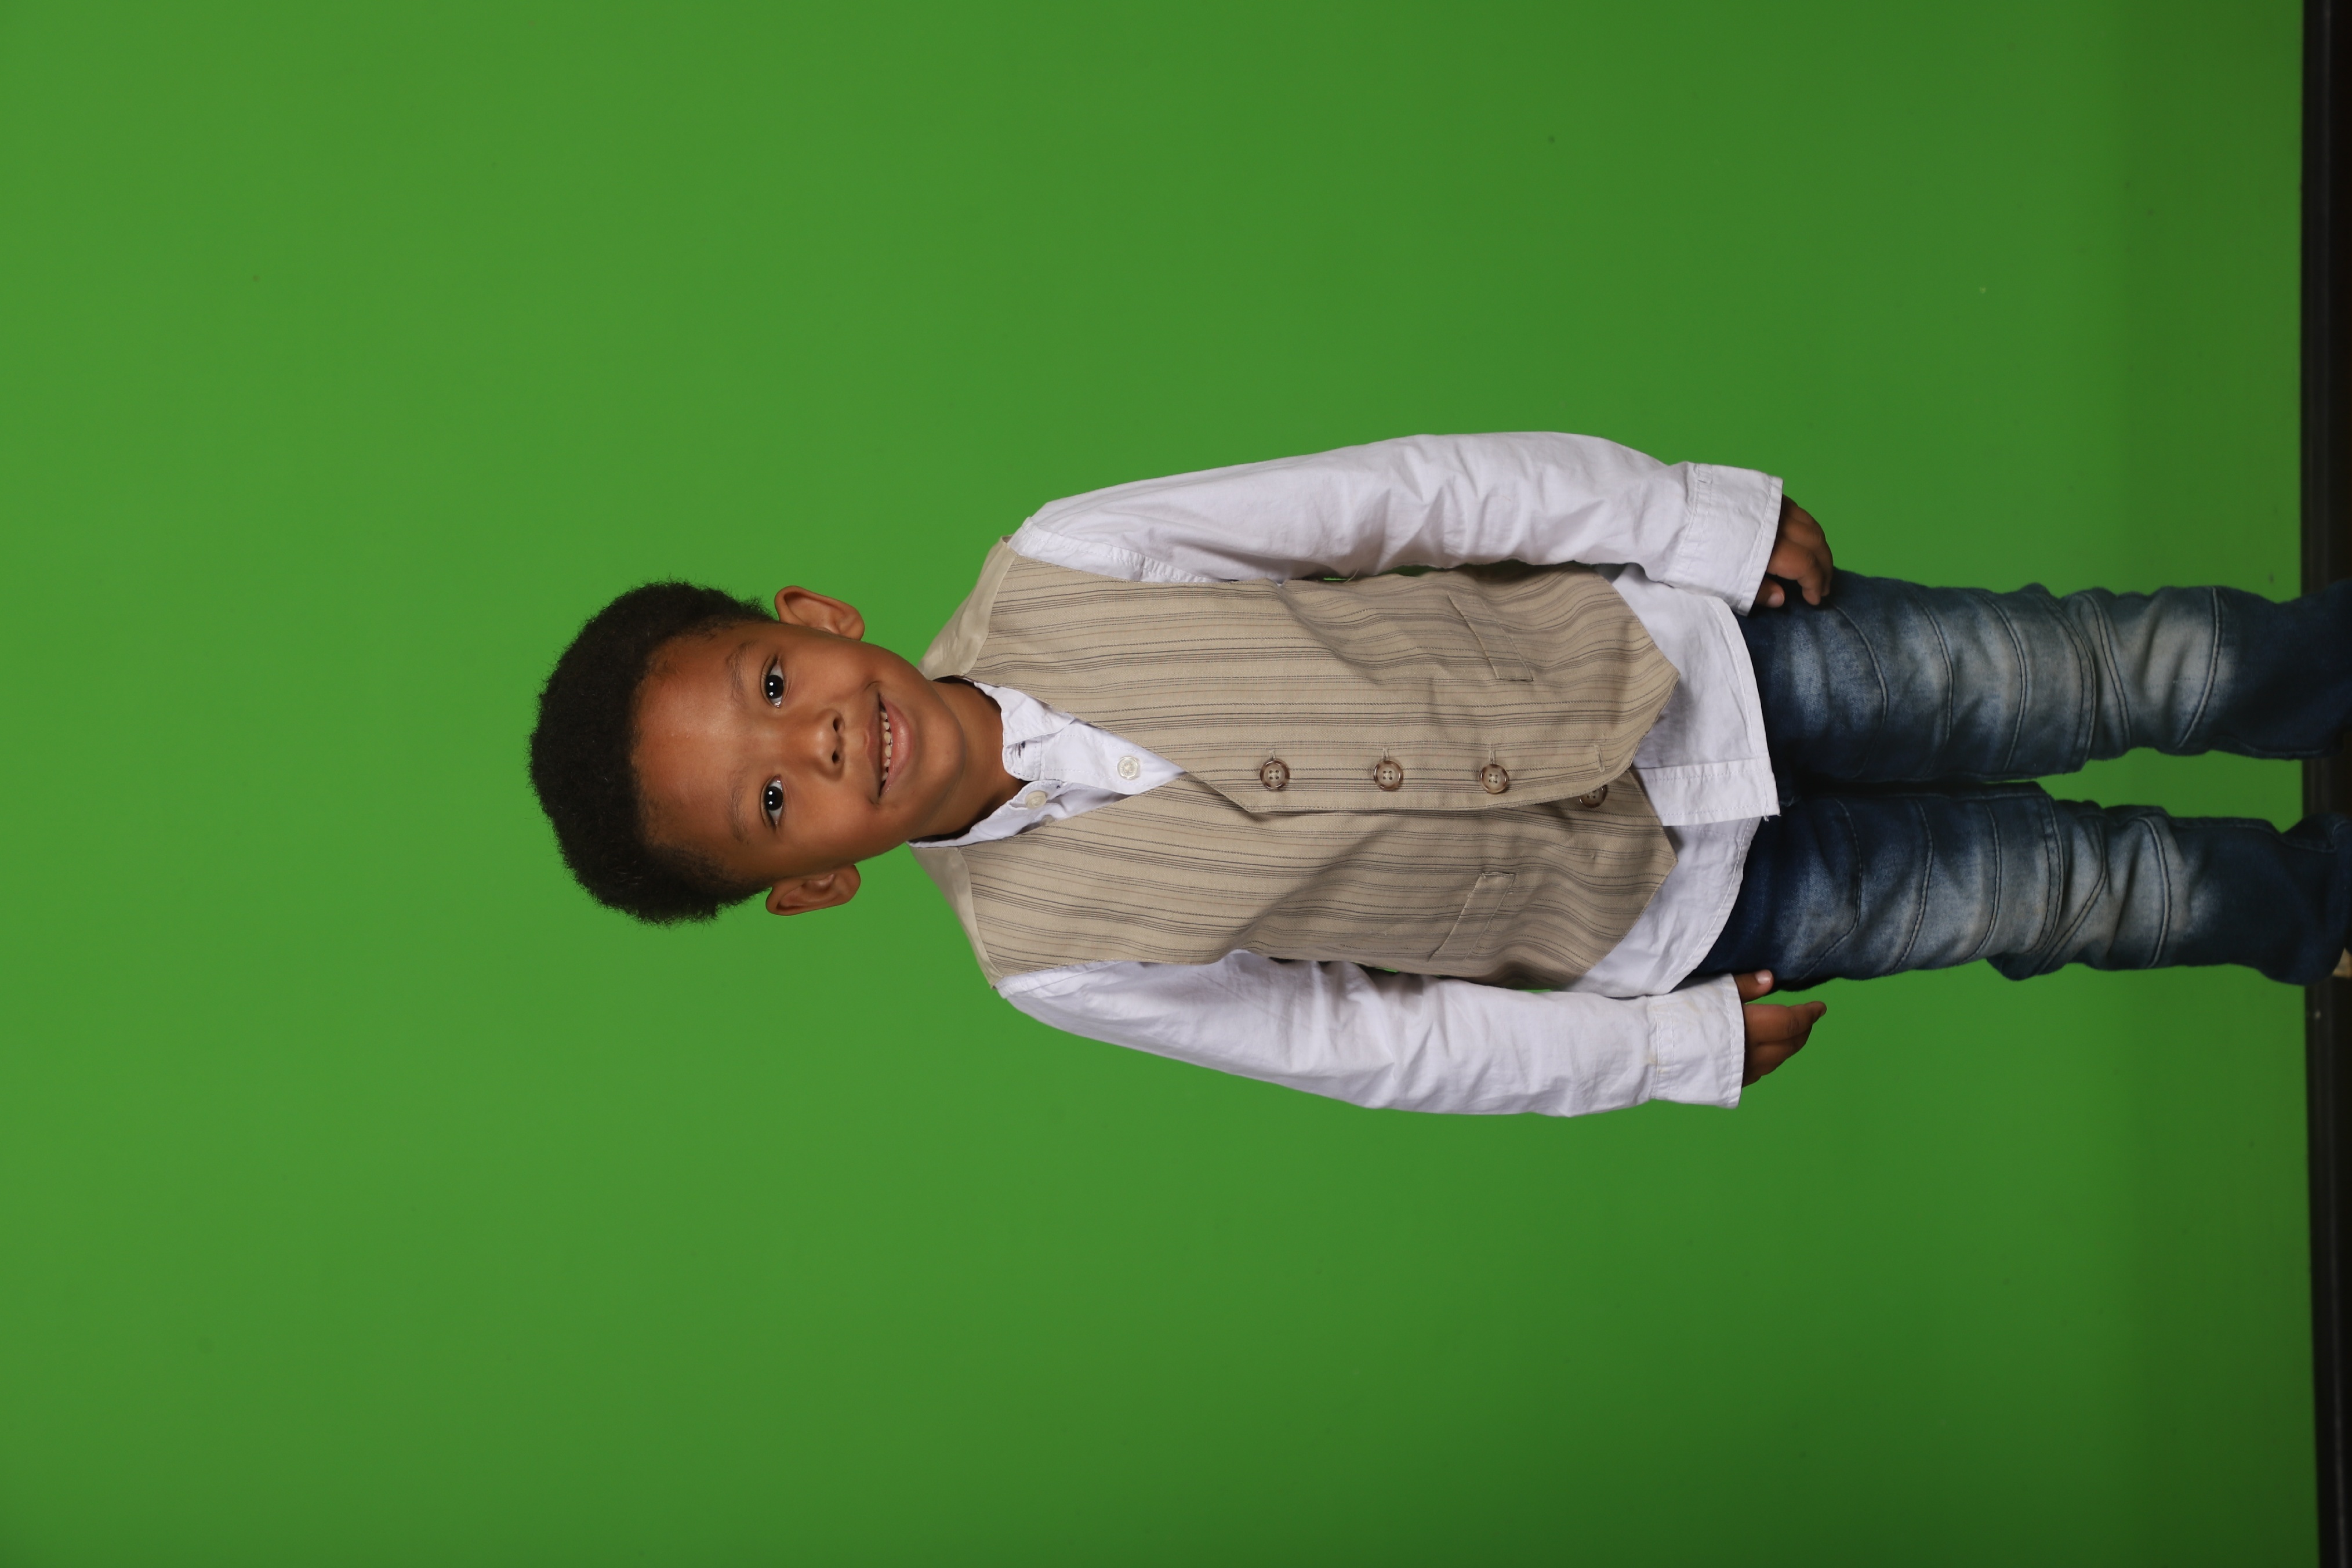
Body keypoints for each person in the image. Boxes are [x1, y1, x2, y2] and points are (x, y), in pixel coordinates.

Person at [527, 434, 2352, 1117]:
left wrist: (1689, 519)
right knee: (2077, 890)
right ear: (816, 881)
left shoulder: (1069, 557)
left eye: (777, 687)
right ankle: (2318, 913)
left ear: (814, 617)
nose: (819, 741)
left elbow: (1404, 497)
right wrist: (1659, 1052)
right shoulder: (1051, 959)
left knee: (2100, 670)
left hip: (1707, 659)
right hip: (1681, 919)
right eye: (776, 802)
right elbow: (1364, 1043)